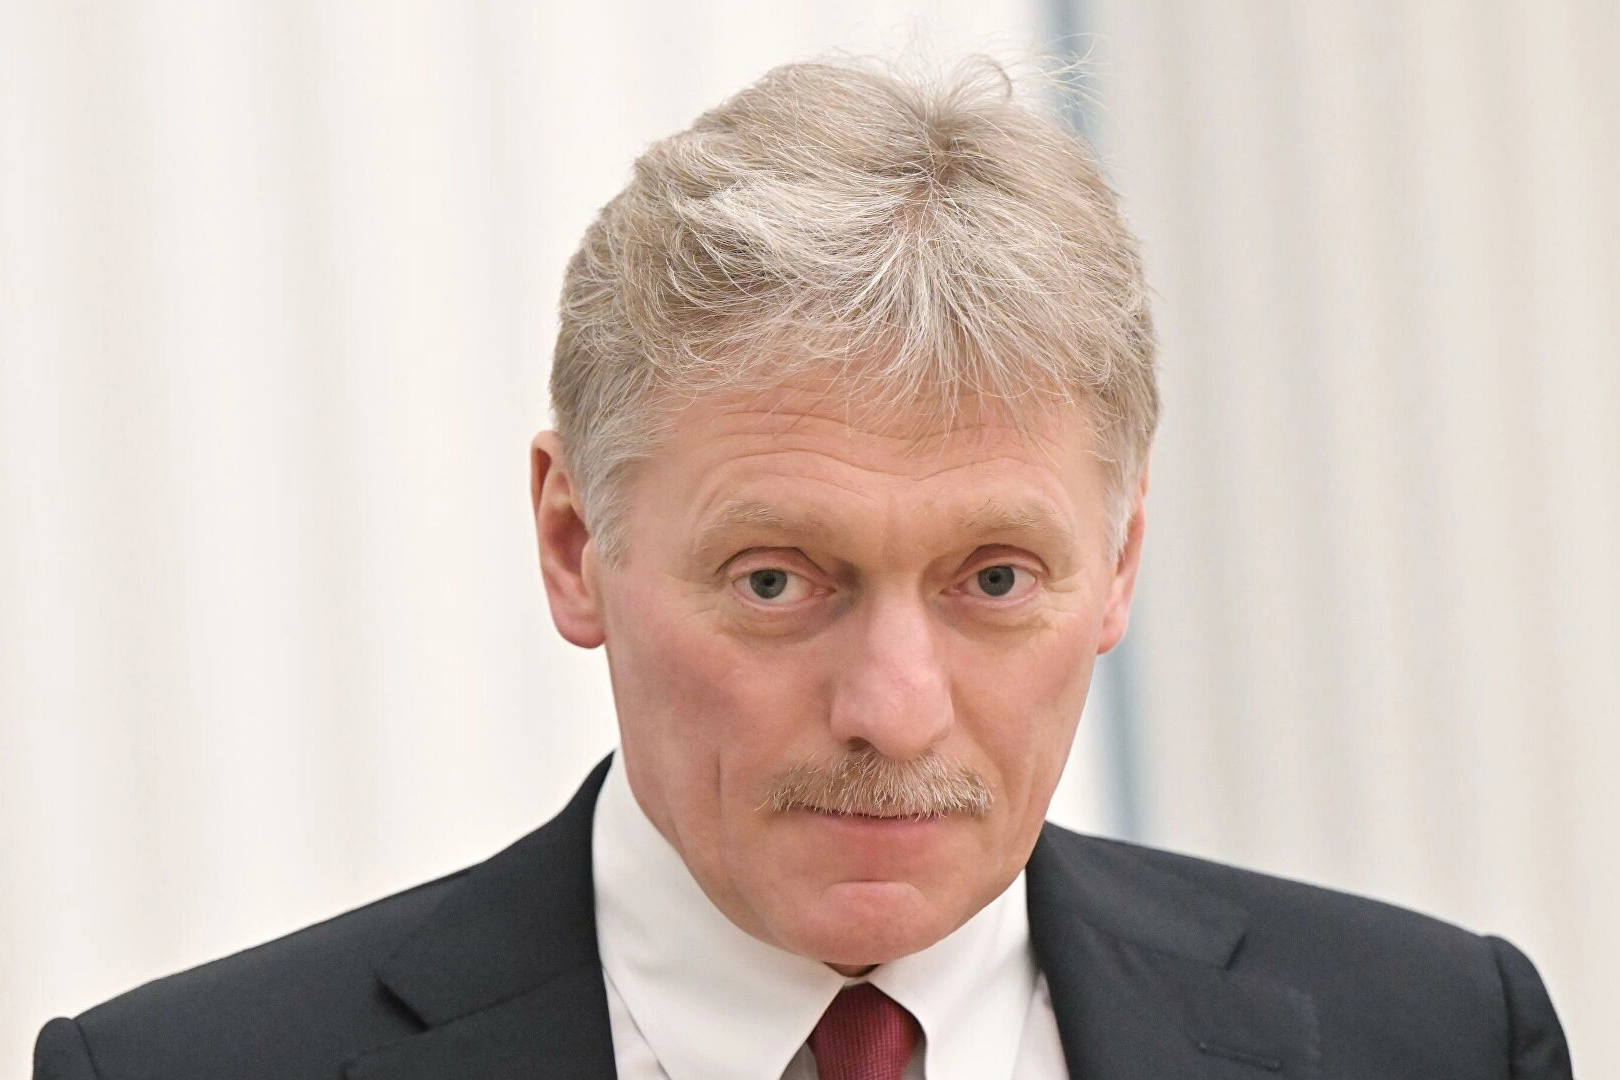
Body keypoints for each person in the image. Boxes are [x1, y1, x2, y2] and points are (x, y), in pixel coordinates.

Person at [34, 58, 1572, 1080]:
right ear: (574, 546)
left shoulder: (1437, 1041)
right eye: (778, 581)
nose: (892, 712)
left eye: (993, 581)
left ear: (1117, 565)